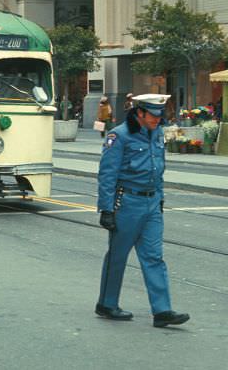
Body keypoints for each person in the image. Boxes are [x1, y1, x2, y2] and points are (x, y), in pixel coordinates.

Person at [95, 93, 190, 328]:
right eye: (153, 115)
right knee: (118, 256)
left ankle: (162, 311)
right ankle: (107, 303)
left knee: (154, 257)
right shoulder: (120, 136)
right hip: (127, 203)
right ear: (139, 113)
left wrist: (160, 199)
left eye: (160, 115)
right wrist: (107, 209)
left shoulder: (156, 133)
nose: (158, 120)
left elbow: (159, 169)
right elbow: (107, 175)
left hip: (151, 203)